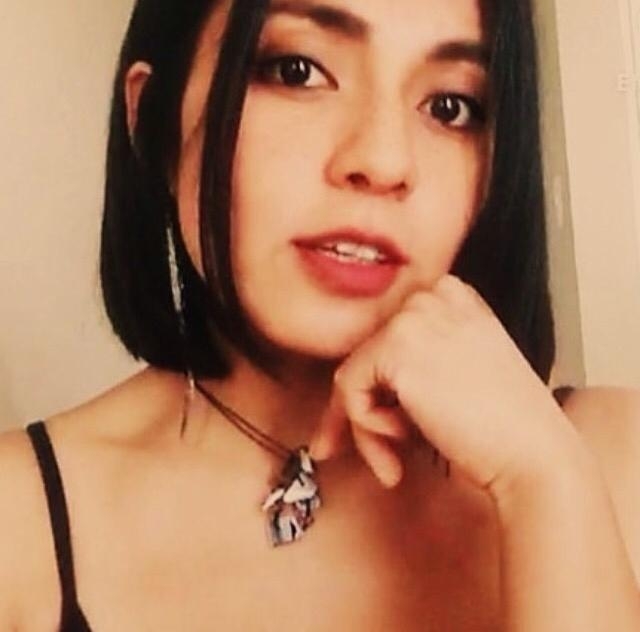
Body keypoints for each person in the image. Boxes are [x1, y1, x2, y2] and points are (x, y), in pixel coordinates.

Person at [1, 0, 639, 629]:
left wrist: (544, 483)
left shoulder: (607, 460)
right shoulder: (18, 524)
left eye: (451, 107)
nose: (384, 161)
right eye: (297, 71)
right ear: (154, 122)